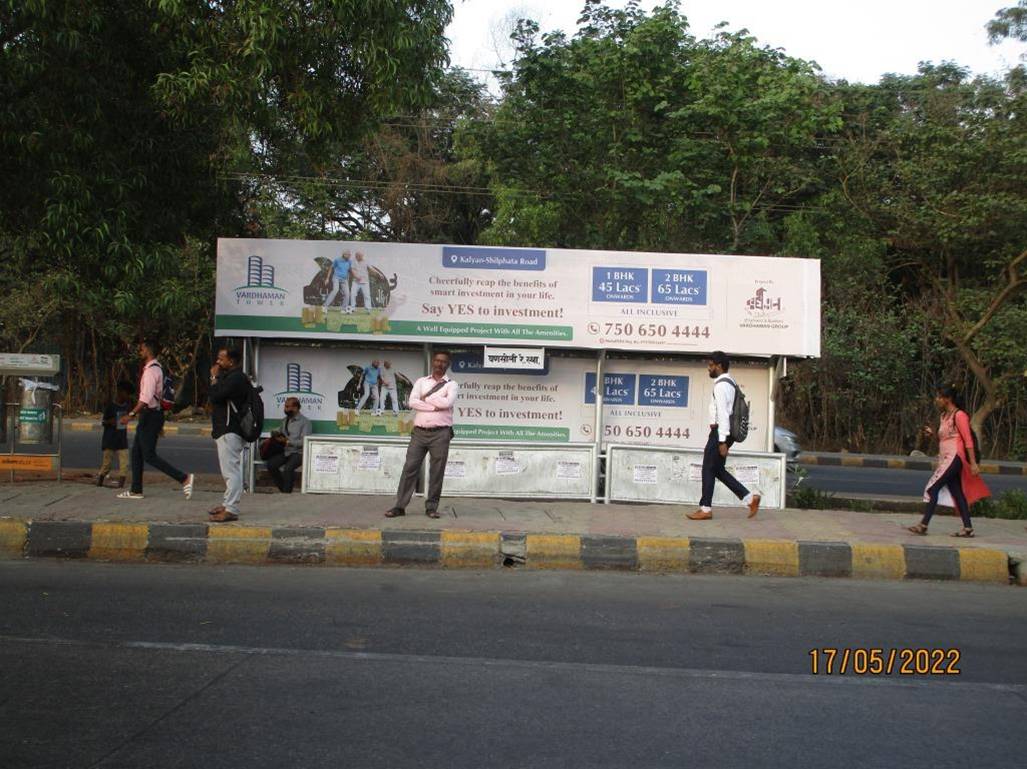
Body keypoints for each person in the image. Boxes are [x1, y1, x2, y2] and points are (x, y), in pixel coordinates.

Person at [908, 385, 990, 538]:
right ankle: (967, 528)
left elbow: (968, 441)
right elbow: (944, 438)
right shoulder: (944, 416)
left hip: (955, 457)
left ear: (948, 399)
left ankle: (923, 525)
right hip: (946, 458)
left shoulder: (959, 416)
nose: (937, 400)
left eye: (939, 397)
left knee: (933, 488)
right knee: (956, 492)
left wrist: (973, 463)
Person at [687, 351, 760, 520]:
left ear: (719, 366)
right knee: (717, 469)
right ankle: (750, 499)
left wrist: (722, 441)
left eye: (711, 365)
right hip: (724, 433)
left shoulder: (721, 386)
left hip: (720, 432)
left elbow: (724, 414)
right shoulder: (730, 381)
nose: (709, 368)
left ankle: (705, 509)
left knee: (708, 467)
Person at [117, 340, 194, 500]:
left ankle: (184, 478)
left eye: (142, 348)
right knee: (137, 452)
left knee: (149, 455)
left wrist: (130, 415)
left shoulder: (151, 371)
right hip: (151, 415)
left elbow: (145, 399)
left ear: (148, 351)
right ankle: (136, 490)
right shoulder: (157, 368)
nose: (140, 351)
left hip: (150, 415)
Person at [386, 350, 458, 519]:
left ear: (448, 365)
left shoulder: (451, 384)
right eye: (438, 361)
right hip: (419, 433)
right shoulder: (421, 382)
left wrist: (426, 400)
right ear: (433, 362)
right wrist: (435, 406)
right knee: (410, 468)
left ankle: (431, 507)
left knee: (437, 471)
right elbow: (412, 402)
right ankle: (399, 506)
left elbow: (448, 403)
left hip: (441, 433)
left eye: (444, 362)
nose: (440, 364)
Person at [207, 346, 252, 522]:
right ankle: (228, 504)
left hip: (229, 429)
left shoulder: (236, 378)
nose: (218, 362)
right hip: (225, 429)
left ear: (231, 361)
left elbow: (215, 396)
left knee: (231, 471)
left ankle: (231, 508)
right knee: (229, 470)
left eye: (221, 358)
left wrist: (213, 377)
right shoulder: (232, 377)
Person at [266, 397, 311, 493]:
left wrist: (288, 442)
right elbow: (280, 431)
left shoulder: (305, 422)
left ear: (295, 408)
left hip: (299, 453)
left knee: (288, 469)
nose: (285, 409)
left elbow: (304, 442)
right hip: (286, 451)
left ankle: (286, 492)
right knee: (271, 465)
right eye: (285, 406)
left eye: (287, 407)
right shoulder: (285, 420)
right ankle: (284, 490)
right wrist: (275, 434)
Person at [96, 380, 133, 488]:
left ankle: (120, 485)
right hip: (110, 439)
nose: (128, 397)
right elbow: (103, 422)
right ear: (121, 392)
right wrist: (111, 422)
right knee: (107, 465)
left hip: (122, 439)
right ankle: (100, 481)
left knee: (124, 464)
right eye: (127, 394)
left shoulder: (127, 405)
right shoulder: (111, 406)